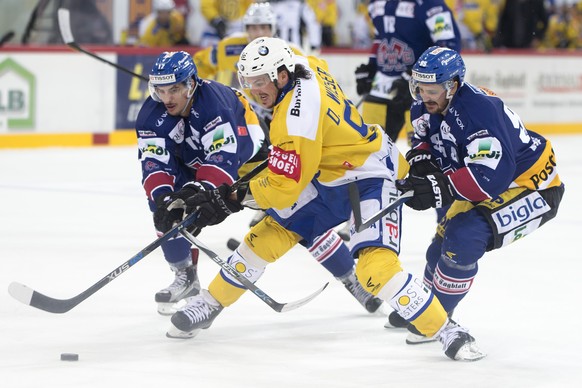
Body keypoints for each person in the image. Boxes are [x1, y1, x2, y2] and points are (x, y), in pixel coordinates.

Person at [164, 37, 486, 362]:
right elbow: (314, 80)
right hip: (329, 174)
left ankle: (446, 330)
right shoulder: (304, 65)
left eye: (260, 82)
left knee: (376, 269)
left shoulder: (294, 119)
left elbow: (284, 186)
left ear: (281, 75)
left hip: (371, 176)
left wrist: (228, 199)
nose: (253, 90)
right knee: (268, 235)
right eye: (247, 81)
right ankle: (211, 302)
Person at [193, 2, 384, 314]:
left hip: (292, 140)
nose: (257, 33)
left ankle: (349, 277)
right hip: (255, 136)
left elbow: (315, 86)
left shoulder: (288, 55)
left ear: (272, 30)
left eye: (263, 28)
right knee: (293, 213)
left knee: (296, 214)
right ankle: (348, 276)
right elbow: (202, 74)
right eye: (252, 28)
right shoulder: (229, 49)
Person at [390, 46, 565, 343]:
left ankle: (436, 318)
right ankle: (427, 304)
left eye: (431, 89)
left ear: (453, 85)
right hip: (493, 178)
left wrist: (437, 188)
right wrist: (422, 167)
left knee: (464, 236)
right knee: (441, 242)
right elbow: (424, 142)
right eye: (419, 87)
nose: (423, 95)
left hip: (533, 186)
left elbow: (489, 177)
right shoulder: (424, 106)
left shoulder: (479, 112)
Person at [135, 51, 265, 315]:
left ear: (190, 84)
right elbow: (153, 162)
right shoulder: (151, 113)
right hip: (192, 153)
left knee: (289, 211)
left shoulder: (214, 104)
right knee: (164, 208)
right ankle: (185, 276)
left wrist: (200, 190)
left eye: (174, 89)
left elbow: (223, 156)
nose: (167, 98)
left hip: (248, 151)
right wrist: (163, 199)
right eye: (160, 90)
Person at [354, 0, 461, 144]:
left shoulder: (430, 4)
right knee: (367, 148)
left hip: (421, 89)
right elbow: (380, 37)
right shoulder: (375, 4)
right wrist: (371, 66)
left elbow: (447, 45)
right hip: (381, 85)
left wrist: (416, 76)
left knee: (422, 151)